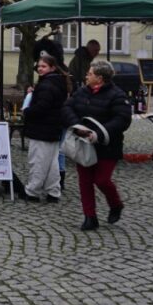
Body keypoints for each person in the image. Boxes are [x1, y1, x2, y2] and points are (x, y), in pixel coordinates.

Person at [63, 59, 132, 231]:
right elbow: (67, 108)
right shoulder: (82, 92)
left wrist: (98, 134)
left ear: (100, 78)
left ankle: (115, 204)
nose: (87, 76)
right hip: (83, 144)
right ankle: (90, 217)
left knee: (102, 180)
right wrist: (77, 126)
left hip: (108, 145)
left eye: (90, 74)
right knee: (85, 181)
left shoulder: (117, 95)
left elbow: (122, 120)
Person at [22, 54, 69, 202]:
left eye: (44, 66)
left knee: (38, 161)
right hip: (53, 128)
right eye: (39, 66)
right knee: (52, 162)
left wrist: (27, 112)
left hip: (42, 128)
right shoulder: (57, 82)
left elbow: (42, 107)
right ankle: (53, 191)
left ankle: (32, 191)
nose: (40, 69)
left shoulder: (47, 85)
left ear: (52, 68)